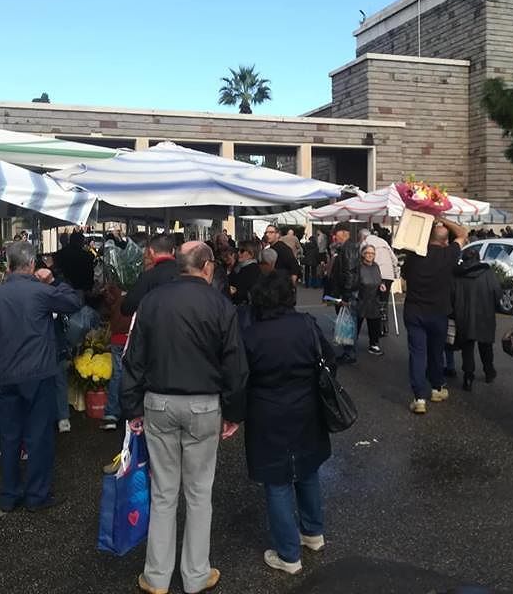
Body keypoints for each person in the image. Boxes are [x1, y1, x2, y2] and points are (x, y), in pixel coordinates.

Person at [123, 242, 248, 594]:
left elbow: (134, 358)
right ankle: (195, 575)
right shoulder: (221, 305)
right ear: (207, 266)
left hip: (159, 402)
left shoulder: (152, 302)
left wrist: (131, 406)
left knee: (163, 492)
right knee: (198, 492)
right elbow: (235, 366)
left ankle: (157, 577)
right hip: (204, 405)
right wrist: (234, 412)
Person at [0, 241, 82, 512]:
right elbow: (73, 302)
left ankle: (9, 495)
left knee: (9, 437)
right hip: (38, 373)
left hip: (5, 374)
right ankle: (37, 495)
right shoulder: (39, 292)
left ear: (7, 264)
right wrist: (54, 278)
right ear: (32, 264)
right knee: (38, 436)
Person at [241, 271, 334, 574]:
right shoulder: (306, 325)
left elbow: (239, 378)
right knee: (307, 470)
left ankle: (288, 555)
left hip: (267, 413)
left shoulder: (252, 334)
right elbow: (329, 359)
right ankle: (313, 533)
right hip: (307, 407)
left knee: (277, 481)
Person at [400, 219, 468, 414]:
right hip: (439, 311)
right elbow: (463, 233)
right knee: (436, 351)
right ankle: (437, 388)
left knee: (417, 353)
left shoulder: (414, 255)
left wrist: (427, 222)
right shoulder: (449, 254)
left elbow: (404, 274)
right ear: (446, 241)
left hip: (414, 310)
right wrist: (442, 216)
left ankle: (419, 397)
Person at [446, 246, 503, 390]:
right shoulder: (487, 272)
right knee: (486, 346)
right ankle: (489, 371)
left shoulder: (457, 274)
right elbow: (497, 292)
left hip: (463, 314)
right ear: (478, 258)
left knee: (467, 347)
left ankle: (468, 376)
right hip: (485, 313)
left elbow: (451, 295)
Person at [326, 223, 361, 363]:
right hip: (343, 291)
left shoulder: (349, 248)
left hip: (347, 292)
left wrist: (346, 294)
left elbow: (350, 272)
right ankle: (348, 350)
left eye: (337, 233)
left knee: (348, 321)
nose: (335, 237)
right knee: (347, 320)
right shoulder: (345, 248)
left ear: (345, 233)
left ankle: (349, 352)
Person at [100, 282, 132, 431]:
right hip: (133, 337)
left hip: (118, 338)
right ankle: (133, 413)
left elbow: (106, 310)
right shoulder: (143, 285)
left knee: (117, 375)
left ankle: (111, 414)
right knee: (135, 374)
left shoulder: (112, 290)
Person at [120, 235, 178, 316]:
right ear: (173, 251)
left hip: (157, 325)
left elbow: (127, 308)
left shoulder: (148, 276)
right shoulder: (186, 273)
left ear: (151, 251)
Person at [355, 245, 386, 356]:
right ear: (363, 254)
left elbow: (379, 279)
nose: (370, 255)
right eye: (368, 253)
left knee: (374, 323)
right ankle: (350, 345)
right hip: (361, 298)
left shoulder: (376, 266)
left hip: (374, 298)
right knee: (356, 323)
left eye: (372, 253)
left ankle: (374, 344)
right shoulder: (358, 267)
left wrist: (381, 285)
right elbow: (354, 282)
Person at [229, 239, 262, 305]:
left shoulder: (252, 269)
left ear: (251, 253)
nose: (238, 253)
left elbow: (249, 291)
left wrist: (234, 292)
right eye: (238, 250)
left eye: (242, 251)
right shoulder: (239, 266)